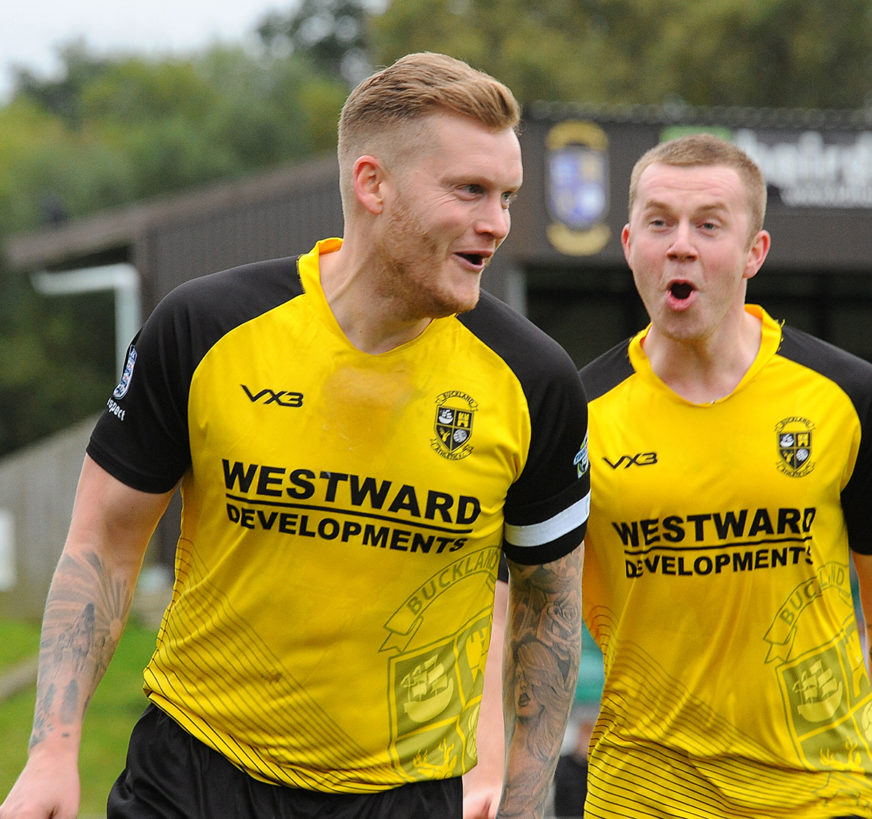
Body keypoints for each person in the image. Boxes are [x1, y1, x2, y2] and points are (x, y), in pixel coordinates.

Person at [0, 52, 589, 819]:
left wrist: (525, 798)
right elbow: (103, 541)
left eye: (506, 196)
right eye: (469, 191)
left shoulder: (534, 379)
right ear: (372, 184)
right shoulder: (206, 326)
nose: (498, 223)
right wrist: (51, 749)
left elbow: (549, 606)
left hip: (403, 798)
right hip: (193, 779)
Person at [578, 134, 872, 818]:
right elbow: (533, 607)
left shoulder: (848, 395)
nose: (680, 244)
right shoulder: (576, 413)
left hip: (831, 790)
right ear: (630, 244)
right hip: (644, 794)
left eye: (709, 225)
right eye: (660, 223)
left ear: (754, 252)